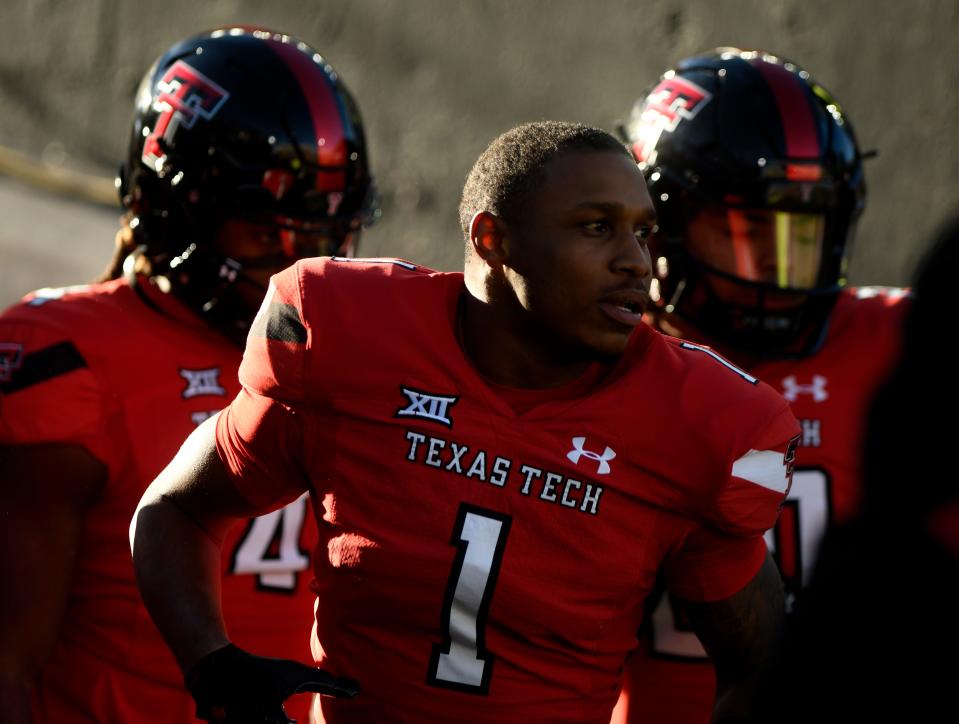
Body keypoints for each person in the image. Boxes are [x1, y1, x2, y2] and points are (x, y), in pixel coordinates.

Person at [131, 121, 800, 724]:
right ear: (493, 239)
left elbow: (764, 669)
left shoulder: (694, 421)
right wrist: (210, 663)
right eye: (596, 227)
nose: (634, 261)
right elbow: (174, 510)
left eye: (642, 231)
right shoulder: (348, 340)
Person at [0, 27, 377, 724]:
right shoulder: (66, 356)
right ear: (172, 205)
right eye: (265, 233)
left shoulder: (351, 360)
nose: (293, 265)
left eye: (321, 238)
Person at [611, 48, 909, 724]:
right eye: (746, 230)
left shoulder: (898, 340)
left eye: (803, 233)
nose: (780, 265)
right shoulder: (607, 363)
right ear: (662, 222)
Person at [750, 215, 959, 723]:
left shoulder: (896, 325)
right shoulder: (613, 359)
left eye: (803, 222)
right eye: (747, 225)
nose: (779, 254)